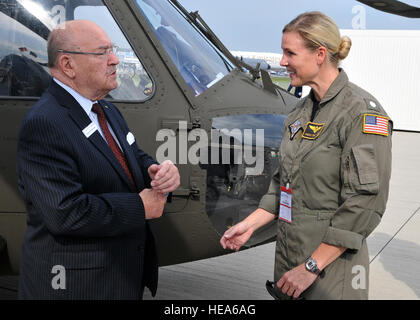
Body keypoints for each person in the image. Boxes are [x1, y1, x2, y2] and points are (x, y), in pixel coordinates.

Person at [220, 11, 392, 300]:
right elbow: (283, 184)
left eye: (290, 53)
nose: (283, 61)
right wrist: (248, 226)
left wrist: (311, 266)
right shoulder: (299, 113)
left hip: (329, 274)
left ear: (320, 54)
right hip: (290, 264)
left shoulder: (361, 113)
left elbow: (365, 202)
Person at [17, 20, 180, 300]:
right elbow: (64, 212)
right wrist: (139, 206)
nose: (115, 60)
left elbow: (130, 157)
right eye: (103, 52)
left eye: (112, 50)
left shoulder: (105, 109)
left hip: (116, 280)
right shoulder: (45, 124)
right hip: (76, 287)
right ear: (68, 65)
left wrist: (158, 172)